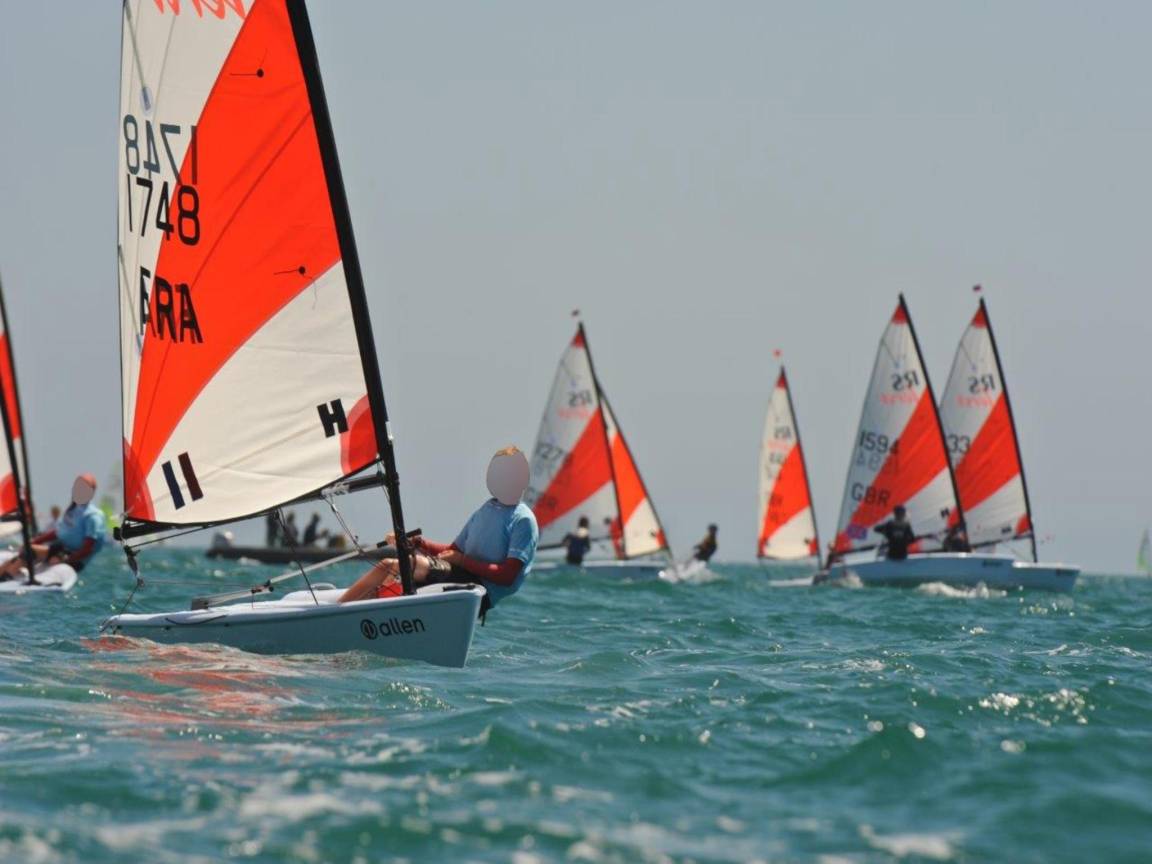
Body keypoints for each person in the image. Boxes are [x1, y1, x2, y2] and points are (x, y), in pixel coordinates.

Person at [339, 447, 539, 610]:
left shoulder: (523, 520)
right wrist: (418, 543)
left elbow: (507, 576)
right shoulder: (487, 509)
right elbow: (452, 551)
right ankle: (338, 610)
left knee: (401, 566)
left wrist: (462, 560)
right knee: (386, 565)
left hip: (479, 590)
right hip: (458, 574)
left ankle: (373, 613)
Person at [0, 474, 107, 582]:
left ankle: (5, 578)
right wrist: (34, 541)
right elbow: (58, 532)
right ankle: (3, 574)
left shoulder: (93, 516)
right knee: (26, 550)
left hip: (74, 558)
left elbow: (87, 549)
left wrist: (65, 560)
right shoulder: (73, 509)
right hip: (59, 549)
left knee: (30, 551)